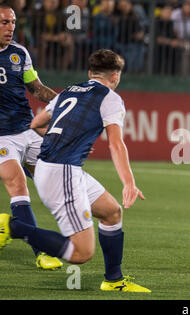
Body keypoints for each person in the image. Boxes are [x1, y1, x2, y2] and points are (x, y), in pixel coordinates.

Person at [0, 49, 150, 292]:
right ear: (115, 76)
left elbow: (36, 123)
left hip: (59, 168)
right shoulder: (110, 97)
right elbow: (115, 143)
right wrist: (129, 182)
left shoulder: (70, 91)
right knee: (81, 253)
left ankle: (113, 280)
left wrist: (60, 141)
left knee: (112, 212)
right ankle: (13, 227)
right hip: (62, 173)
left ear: (90, 73)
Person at [0, 3, 62, 270]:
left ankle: (5, 228)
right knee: (18, 186)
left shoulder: (18, 53)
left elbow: (36, 89)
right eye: (4, 22)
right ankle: (42, 252)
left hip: (27, 131)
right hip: (2, 138)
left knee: (59, 179)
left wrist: (66, 101)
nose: (10, 27)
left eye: (12, 22)